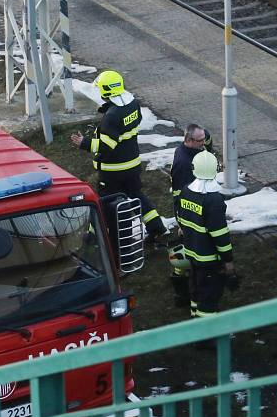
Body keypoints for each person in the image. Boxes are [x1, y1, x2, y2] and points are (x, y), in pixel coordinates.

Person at [70, 70, 166, 241]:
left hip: (112, 171)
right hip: (132, 165)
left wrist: (84, 142)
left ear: (106, 91)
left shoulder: (112, 117)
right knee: (137, 195)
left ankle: (95, 236)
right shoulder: (133, 104)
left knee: (106, 203)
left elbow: (107, 146)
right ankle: (156, 227)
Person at [177, 151, 234, 317]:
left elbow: (182, 220)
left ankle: (195, 318)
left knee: (195, 289)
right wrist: (228, 259)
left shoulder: (185, 191)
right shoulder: (214, 200)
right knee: (209, 298)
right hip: (209, 260)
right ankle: (206, 339)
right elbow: (220, 235)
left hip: (191, 253)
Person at [167, 124, 209, 307]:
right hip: (188, 213)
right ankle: (182, 293)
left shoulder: (190, 151)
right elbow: (179, 195)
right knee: (187, 254)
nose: (203, 143)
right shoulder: (184, 164)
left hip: (193, 210)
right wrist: (182, 223)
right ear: (189, 140)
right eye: (200, 141)